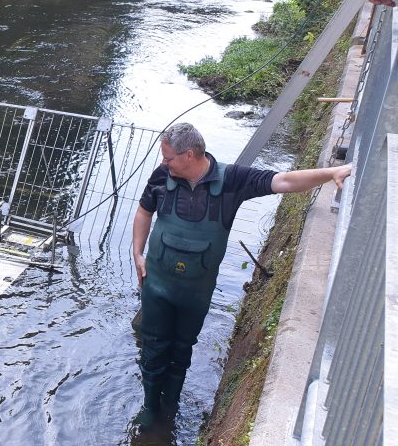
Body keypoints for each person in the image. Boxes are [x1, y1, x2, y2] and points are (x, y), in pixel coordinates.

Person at [130, 123, 351, 426]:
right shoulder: (161, 177)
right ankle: (150, 407)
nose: (163, 163)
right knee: (154, 347)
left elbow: (283, 181)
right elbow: (144, 211)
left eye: (168, 158)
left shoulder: (232, 180)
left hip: (195, 292)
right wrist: (137, 253)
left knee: (182, 347)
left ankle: (171, 402)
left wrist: (329, 174)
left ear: (190, 155)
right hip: (157, 285)